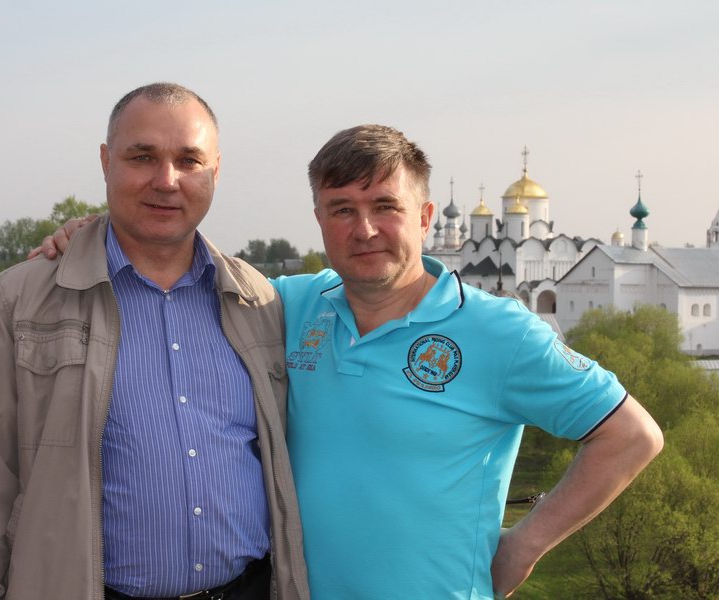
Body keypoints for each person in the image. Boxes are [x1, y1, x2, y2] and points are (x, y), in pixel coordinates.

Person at [39, 125, 663, 599]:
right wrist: (97, 234)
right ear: (320, 221)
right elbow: (177, 274)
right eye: (342, 209)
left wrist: (524, 546)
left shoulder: (499, 332)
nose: (364, 229)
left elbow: (631, 436)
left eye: (385, 206)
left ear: (425, 218)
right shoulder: (288, 305)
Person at [0, 83, 309, 600]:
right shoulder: (20, 301)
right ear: (106, 162)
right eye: (142, 157)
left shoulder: (258, 300)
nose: (166, 180)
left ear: (215, 171)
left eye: (188, 160)